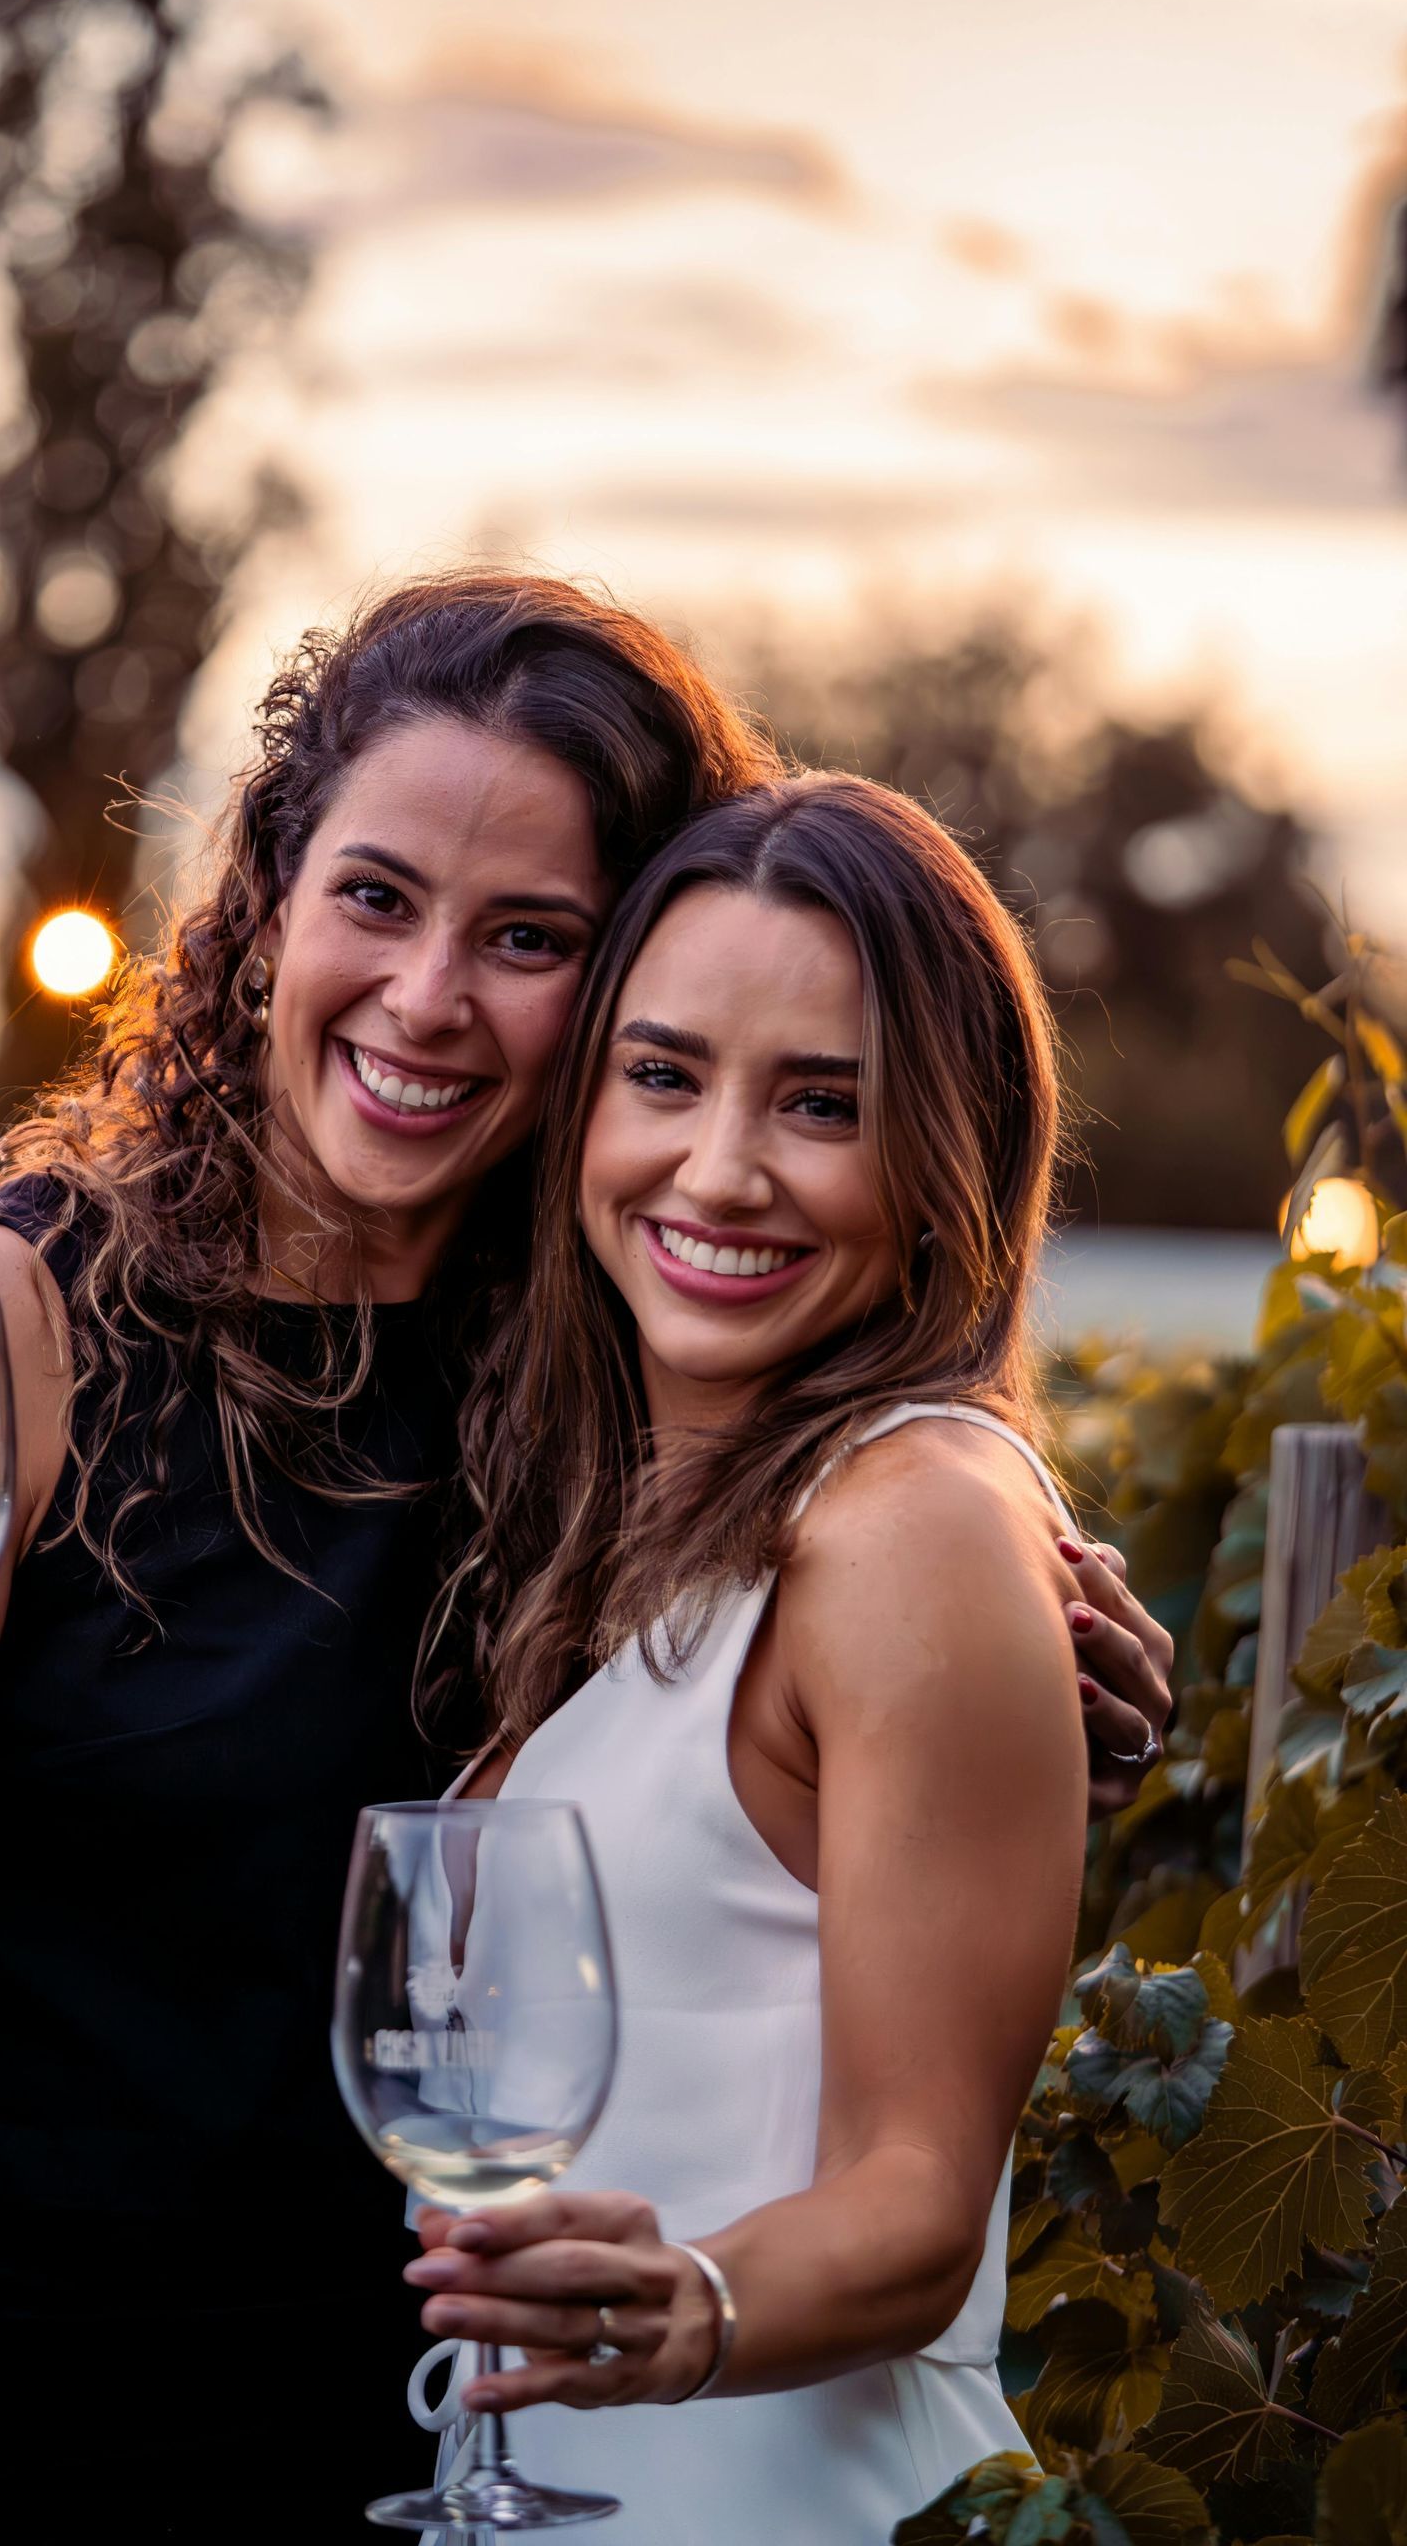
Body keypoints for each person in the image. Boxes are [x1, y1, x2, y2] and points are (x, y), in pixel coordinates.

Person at [0, 583, 1168, 2541]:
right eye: (374, 896)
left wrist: (1024, 1693)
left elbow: (789, 1739)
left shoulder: (620, 1376)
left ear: (611, 991)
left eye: (527, 938)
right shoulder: (8, 1322)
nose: (430, 993)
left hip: (438, 2467)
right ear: (264, 899)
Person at [402, 774, 1115, 2543]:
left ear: (950, 1149)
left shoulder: (908, 1528)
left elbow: (918, 2196)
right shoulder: (641, 1523)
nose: (719, 1169)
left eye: (823, 1104)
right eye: (662, 1075)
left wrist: (689, 2303)